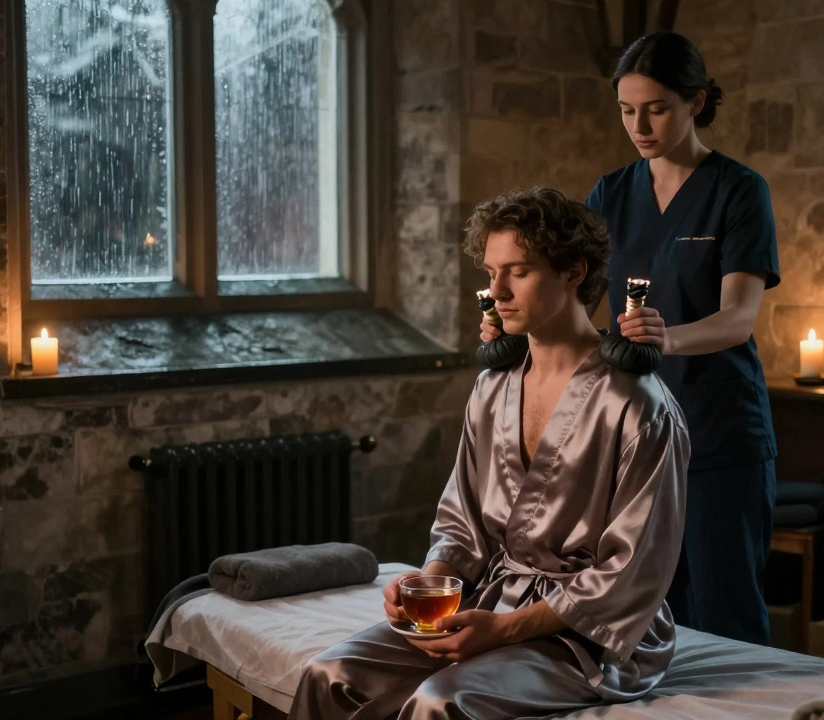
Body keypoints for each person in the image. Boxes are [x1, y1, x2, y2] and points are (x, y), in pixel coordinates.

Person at [292, 187, 689, 719]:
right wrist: (429, 579)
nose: (497, 291)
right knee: (330, 674)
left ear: (573, 273)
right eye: (491, 272)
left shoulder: (638, 404)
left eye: (518, 272)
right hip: (493, 601)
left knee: (441, 701)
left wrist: (505, 630)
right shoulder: (492, 387)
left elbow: (634, 570)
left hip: (592, 635)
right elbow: (462, 526)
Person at [483, 32, 781, 646]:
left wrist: (663, 341)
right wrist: (516, 328)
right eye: (626, 110)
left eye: (656, 109)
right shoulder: (611, 193)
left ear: (696, 102)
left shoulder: (738, 190)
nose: (638, 126)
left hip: (718, 431)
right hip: (629, 434)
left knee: (724, 613)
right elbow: (574, 308)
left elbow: (738, 318)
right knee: (641, 614)